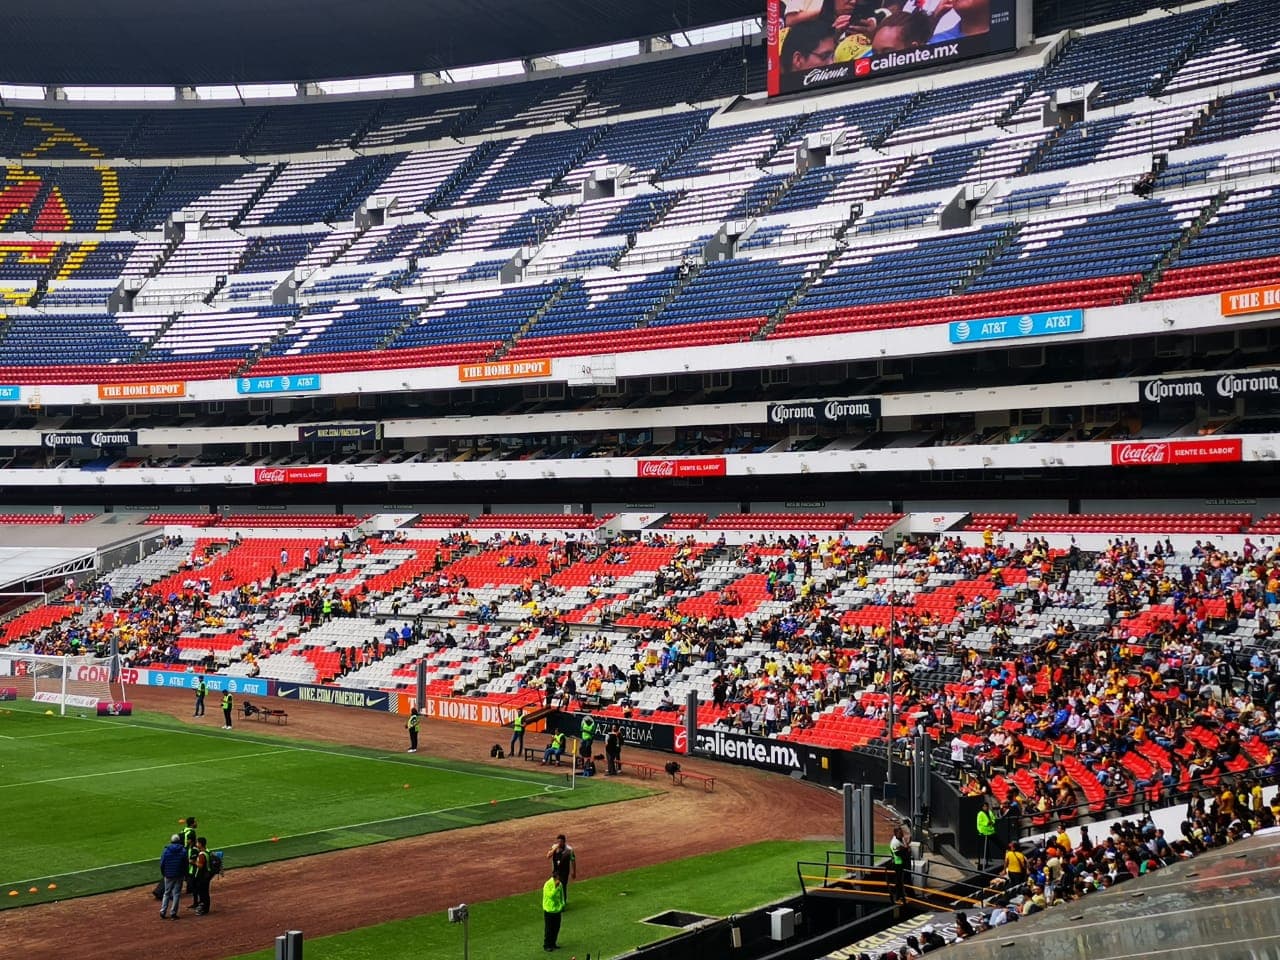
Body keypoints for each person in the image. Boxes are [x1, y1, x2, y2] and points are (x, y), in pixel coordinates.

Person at [158, 834, 187, 920]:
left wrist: (164, 873)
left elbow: (162, 863)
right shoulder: (183, 850)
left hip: (168, 875)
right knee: (176, 894)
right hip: (179, 875)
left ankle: (163, 911)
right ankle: (173, 913)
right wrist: (184, 873)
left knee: (166, 893)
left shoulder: (166, 850)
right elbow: (185, 863)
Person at [548, 834, 577, 904]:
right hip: (555, 871)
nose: (559, 843)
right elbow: (548, 856)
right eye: (558, 842)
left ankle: (563, 901)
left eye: (560, 842)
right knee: (555, 886)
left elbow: (573, 860)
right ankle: (557, 901)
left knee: (563, 886)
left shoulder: (569, 850)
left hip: (564, 871)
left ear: (564, 842)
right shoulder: (554, 847)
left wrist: (574, 872)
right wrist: (554, 849)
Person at [542, 870, 566, 952]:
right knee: (549, 929)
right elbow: (551, 896)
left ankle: (553, 943)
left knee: (556, 928)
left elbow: (562, 895)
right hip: (549, 910)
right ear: (555, 877)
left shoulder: (560, 885)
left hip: (557, 910)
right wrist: (555, 888)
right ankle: (546, 945)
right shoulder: (547, 885)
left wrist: (562, 904)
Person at [191, 837, 212, 915]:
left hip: (202, 876)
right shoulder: (208, 851)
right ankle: (206, 908)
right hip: (207, 875)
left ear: (200, 844)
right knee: (205, 892)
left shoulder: (201, 854)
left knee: (203, 893)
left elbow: (200, 866)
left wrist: (194, 862)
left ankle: (204, 909)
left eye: (197, 843)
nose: (196, 844)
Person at [889, 825, 907, 902]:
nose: (902, 833)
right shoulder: (895, 842)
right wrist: (905, 849)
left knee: (900, 881)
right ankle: (898, 897)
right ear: (896, 833)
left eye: (901, 832)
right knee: (898, 881)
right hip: (897, 864)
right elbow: (899, 853)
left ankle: (901, 895)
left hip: (900, 863)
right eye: (900, 832)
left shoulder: (899, 839)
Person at [977, 802, 997, 868]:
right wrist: (987, 823)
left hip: (991, 831)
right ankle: (987, 860)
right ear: (982, 807)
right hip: (984, 832)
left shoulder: (990, 812)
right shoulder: (980, 814)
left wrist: (992, 822)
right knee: (986, 847)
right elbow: (980, 823)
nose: (986, 807)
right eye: (984, 806)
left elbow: (993, 819)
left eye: (987, 806)